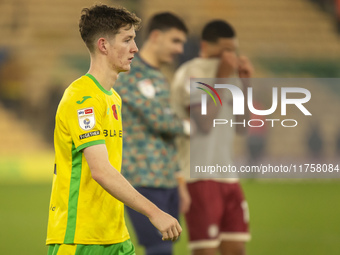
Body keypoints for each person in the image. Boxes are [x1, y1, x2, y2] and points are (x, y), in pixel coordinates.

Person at [46, 5, 182, 255]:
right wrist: (155, 212)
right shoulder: (82, 98)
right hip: (80, 239)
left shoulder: (113, 98)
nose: (135, 49)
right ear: (103, 45)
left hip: (116, 236)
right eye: (128, 40)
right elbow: (100, 171)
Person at [171, 20, 253, 255]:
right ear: (206, 46)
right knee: (206, 251)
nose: (230, 56)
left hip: (228, 175)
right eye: (225, 50)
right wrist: (223, 77)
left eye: (233, 50)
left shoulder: (231, 75)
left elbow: (242, 127)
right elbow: (205, 123)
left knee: (237, 248)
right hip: (199, 177)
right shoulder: (191, 72)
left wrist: (245, 83)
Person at [115, 12, 190, 255]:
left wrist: (179, 182)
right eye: (175, 41)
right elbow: (161, 121)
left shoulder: (158, 76)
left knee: (165, 247)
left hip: (166, 179)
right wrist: (194, 125)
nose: (180, 49)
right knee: (159, 249)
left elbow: (168, 137)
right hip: (142, 180)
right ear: (156, 36)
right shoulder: (130, 72)